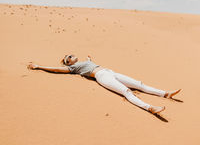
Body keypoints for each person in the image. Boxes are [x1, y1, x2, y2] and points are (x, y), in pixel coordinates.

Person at [27, 54, 181, 115]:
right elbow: (57, 70)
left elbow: (89, 61)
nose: (72, 56)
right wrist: (39, 66)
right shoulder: (73, 68)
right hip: (101, 76)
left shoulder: (84, 62)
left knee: (139, 84)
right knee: (127, 92)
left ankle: (165, 94)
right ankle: (151, 108)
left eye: (72, 55)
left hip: (110, 71)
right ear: (69, 63)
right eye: (69, 57)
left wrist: (89, 58)